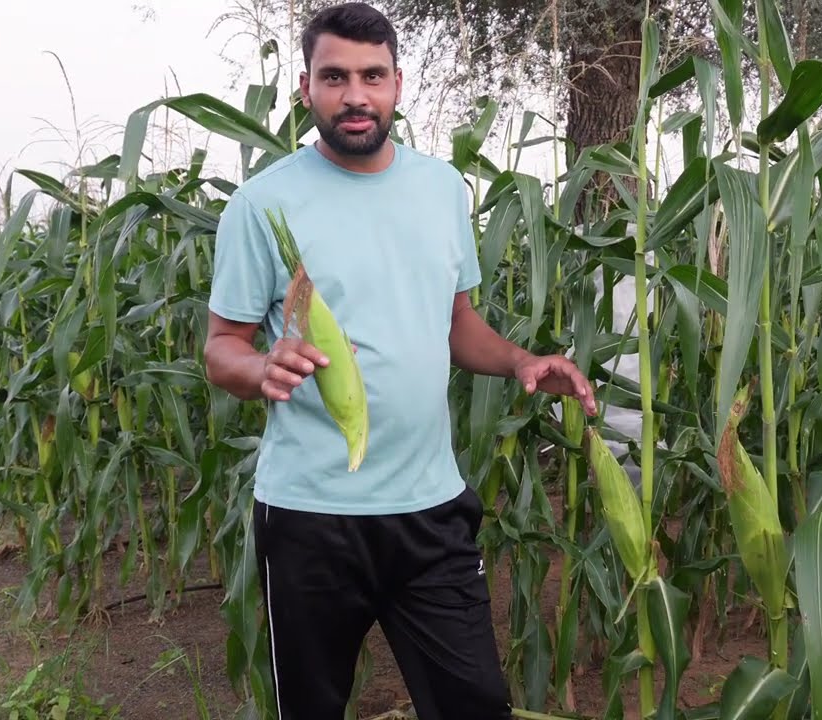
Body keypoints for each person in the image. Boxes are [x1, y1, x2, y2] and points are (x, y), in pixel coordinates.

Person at [202, 3, 598, 718]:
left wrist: (518, 361)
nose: (355, 95)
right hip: (310, 515)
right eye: (335, 77)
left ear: (397, 85)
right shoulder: (261, 205)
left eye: (372, 76)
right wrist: (261, 368)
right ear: (306, 87)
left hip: (430, 509)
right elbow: (221, 347)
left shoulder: (442, 189)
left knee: (474, 704)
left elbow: (456, 325)